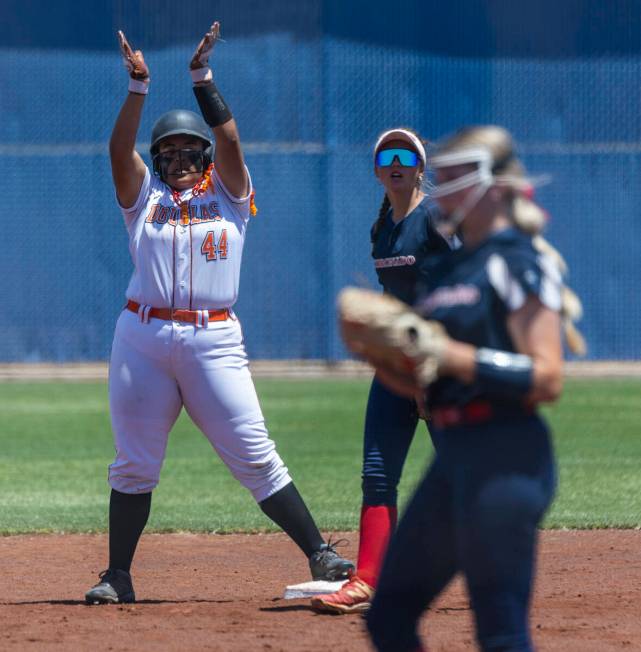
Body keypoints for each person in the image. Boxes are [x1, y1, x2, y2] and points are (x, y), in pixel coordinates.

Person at [85, 22, 353, 605]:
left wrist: (201, 78)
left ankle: (320, 552)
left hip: (213, 340)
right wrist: (138, 88)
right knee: (134, 464)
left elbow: (229, 139)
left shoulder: (229, 195)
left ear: (202, 156)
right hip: (144, 337)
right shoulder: (145, 201)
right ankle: (118, 576)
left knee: (255, 453)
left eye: (187, 150)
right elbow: (116, 151)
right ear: (156, 162)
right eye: (167, 153)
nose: (178, 158)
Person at [363, 125, 576, 651]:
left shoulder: (520, 262)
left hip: (505, 458)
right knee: (388, 618)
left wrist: (451, 355)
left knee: (500, 633)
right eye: (443, 177)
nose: (444, 189)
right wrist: (378, 352)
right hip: (453, 459)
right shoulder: (452, 267)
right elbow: (428, 377)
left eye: (458, 177)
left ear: (495, 185)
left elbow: (547, 377)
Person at [311, 128, 451, 614]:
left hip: (438, 362)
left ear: (419, 166)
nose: (395, 162)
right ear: (376, 170)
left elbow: (458, 289)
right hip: (395, 366)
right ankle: (367, 580)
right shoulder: (383, 228)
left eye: (405, 155)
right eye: (386, 156)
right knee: (377, 473)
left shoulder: (434, 216)